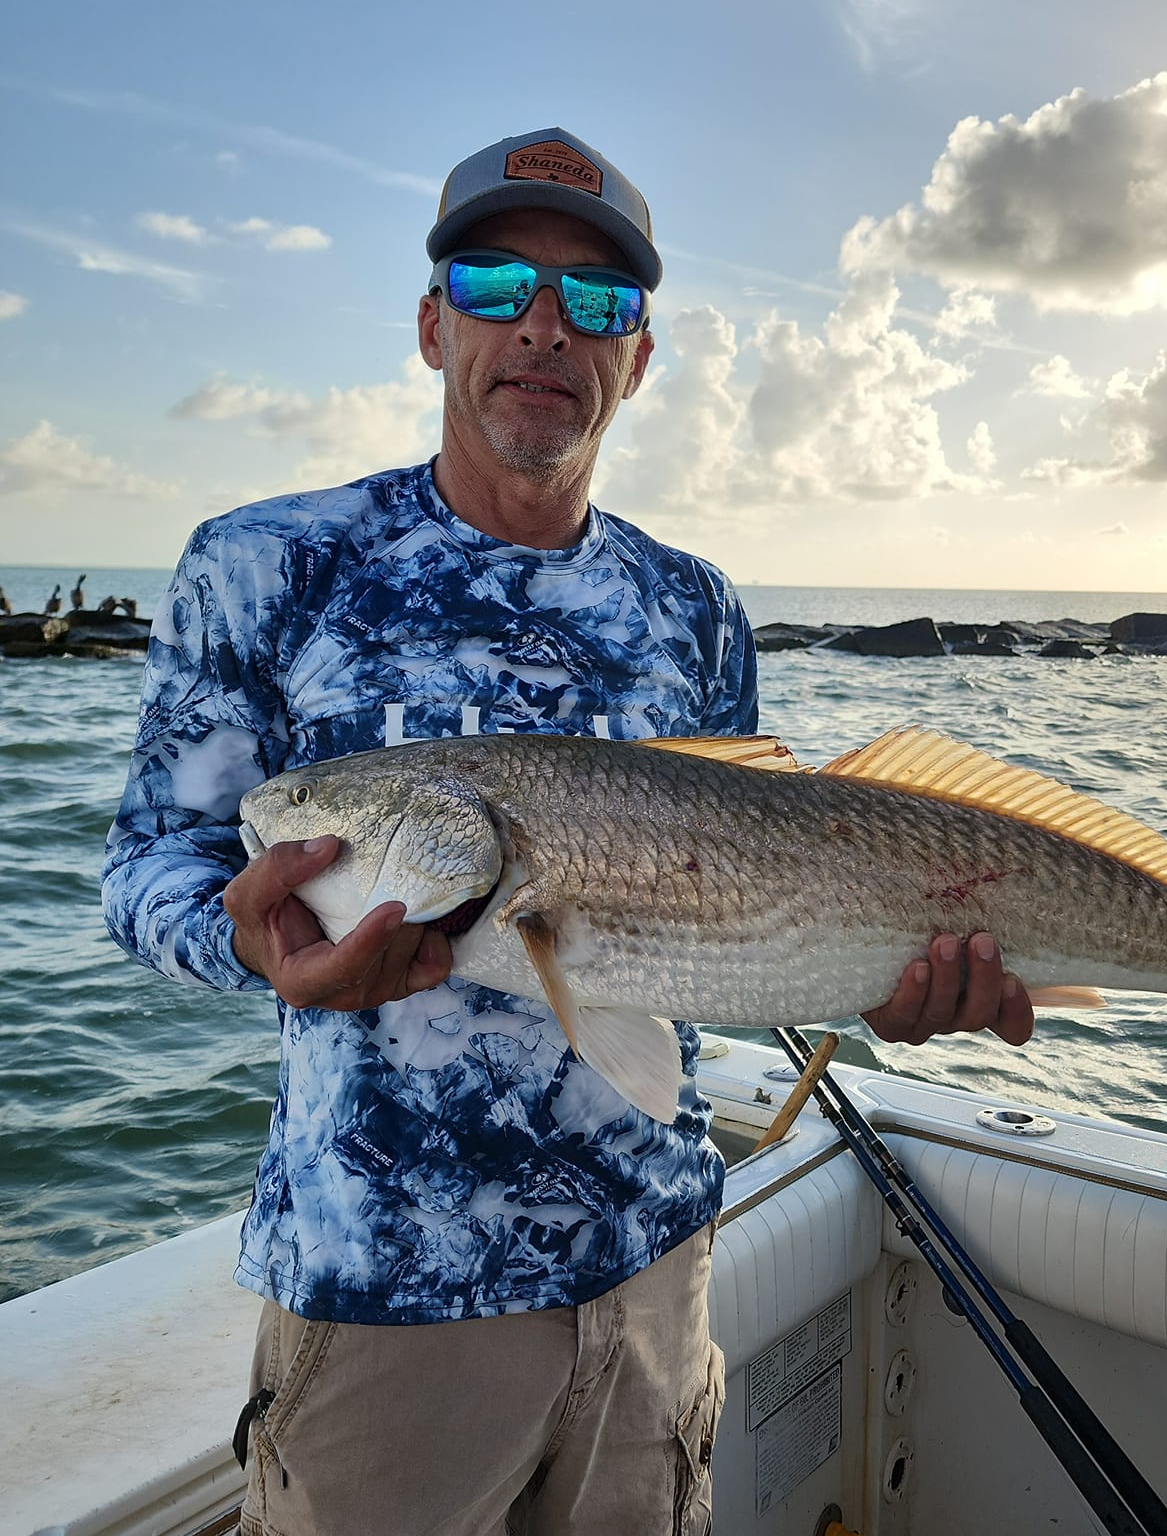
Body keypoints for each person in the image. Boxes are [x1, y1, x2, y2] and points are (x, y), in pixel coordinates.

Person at [102, 126, 1034, 1536]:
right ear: (432, 324)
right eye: (497, 283)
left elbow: (755, 901)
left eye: (598, 302)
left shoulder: (696, 606)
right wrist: (258, 952)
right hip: (389, 1301)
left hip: (656, 1275)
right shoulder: (267, 563)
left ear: (639, 358)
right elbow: (149, 873)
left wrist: (876, 983)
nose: (545, 326)